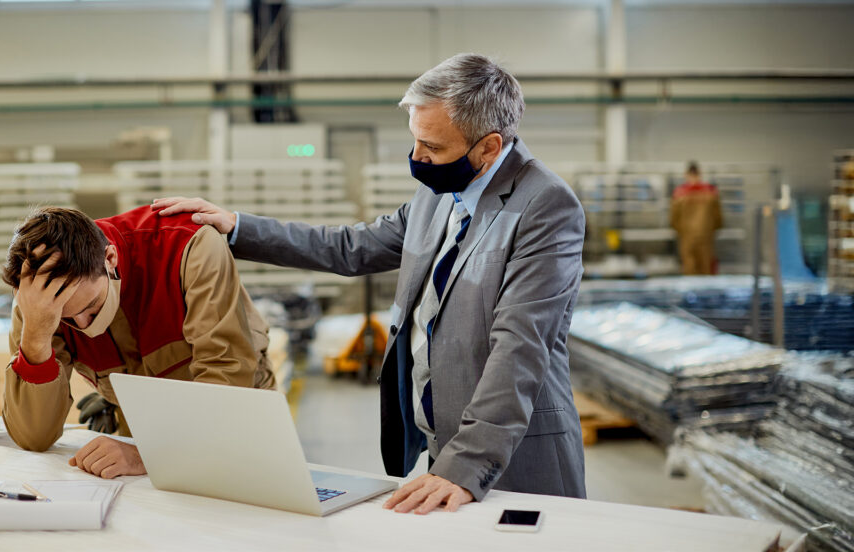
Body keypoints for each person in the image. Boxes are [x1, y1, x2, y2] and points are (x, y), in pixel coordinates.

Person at [153, 53, 587, 515]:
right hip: (445, 448)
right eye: (415, 142)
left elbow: (519, 347)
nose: (418, 159)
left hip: (512, 457)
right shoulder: (439, 195)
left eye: (433, 149)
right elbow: (350, 247)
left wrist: (466, 464)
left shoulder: (546, 206)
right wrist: (237, 226)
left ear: (489, 147)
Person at [1, 205, 277, 479]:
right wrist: (36, 337)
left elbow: (226, 381)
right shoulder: (38, 301)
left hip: (232, 423)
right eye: (68, 319)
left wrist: (150, 455)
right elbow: (34, 437)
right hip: (146, 430)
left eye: (92, 307)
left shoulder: (189, 246)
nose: (84, 325)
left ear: (109, 259)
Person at [670, 162, 723, 275]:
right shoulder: (710, 192)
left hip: (687, 236)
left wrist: (680, 231)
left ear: (686, 175)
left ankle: (690, 292)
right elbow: (718, 217)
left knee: (689, 266)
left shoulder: (679, 194)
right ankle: (707, 292)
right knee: (706, 266)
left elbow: (674, 218)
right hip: (705, 235)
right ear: (700, 174)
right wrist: (712, 229)